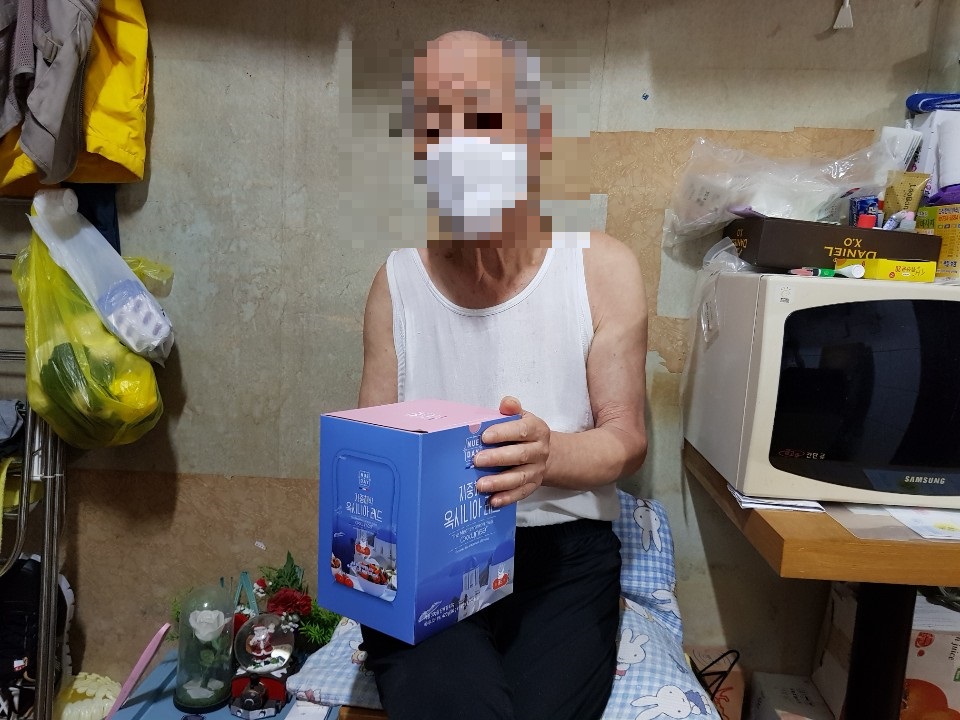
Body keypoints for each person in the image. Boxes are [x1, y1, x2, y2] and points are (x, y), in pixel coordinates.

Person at [356, 30, 649, 720]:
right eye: (435, 128)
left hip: (561, 558)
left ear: (536, 134)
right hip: (429, 557)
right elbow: (373, 457)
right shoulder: (396, 285)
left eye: (484, 118)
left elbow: (626, 439)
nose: (459, 146)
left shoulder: (600, 268)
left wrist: (548, 455)